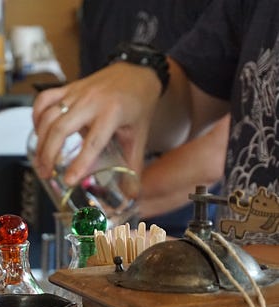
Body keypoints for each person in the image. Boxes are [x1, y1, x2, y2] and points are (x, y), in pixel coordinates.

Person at [32, 0, 279, 246]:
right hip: (235, 261)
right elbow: (194, 102)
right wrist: (143, 80)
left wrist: (122, 208)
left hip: (194, 231)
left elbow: (216, 149)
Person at [78, 0, 227, 238]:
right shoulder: (100, 7)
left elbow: (217, 150)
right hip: (114, 210)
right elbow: (94, 117)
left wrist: (118, 210)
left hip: (190, 225)